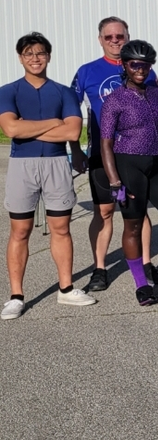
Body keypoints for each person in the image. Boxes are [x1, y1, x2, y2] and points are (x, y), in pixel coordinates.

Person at [0, 32, 94, 320]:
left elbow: (71, 131)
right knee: (20, 230)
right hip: (22, 164)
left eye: (40, 53)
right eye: (29, 54)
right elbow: (11, 130)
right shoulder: (8, 91)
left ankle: (66, 288)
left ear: (49, 56)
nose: (35, 58)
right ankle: (16, 296)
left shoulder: (64, 92)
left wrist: (30, 126)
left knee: (61, 228)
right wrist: (53, 122)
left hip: (55, 163)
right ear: (20, 58)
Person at [71, 16, 158, 292]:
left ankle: (146, 264)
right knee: (105, 211)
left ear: (127, 36)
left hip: (140, 153)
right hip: (104, 151)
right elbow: (71, 112)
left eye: (119, 36)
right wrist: (75, 149)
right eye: (109, 37)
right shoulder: (86, 71)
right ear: (100, 40)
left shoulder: (144, 68)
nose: (115, 41)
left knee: (139, 210)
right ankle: (99, 268)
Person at [99, 41, 158, 307]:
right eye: (135, 64)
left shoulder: (155, 93)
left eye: (146, 65)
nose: (141, 69)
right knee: (134, 226)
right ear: (124, 65)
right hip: (129, 165)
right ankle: (141, 284)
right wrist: (115, 181)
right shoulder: (114, 100)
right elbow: (106, 143)